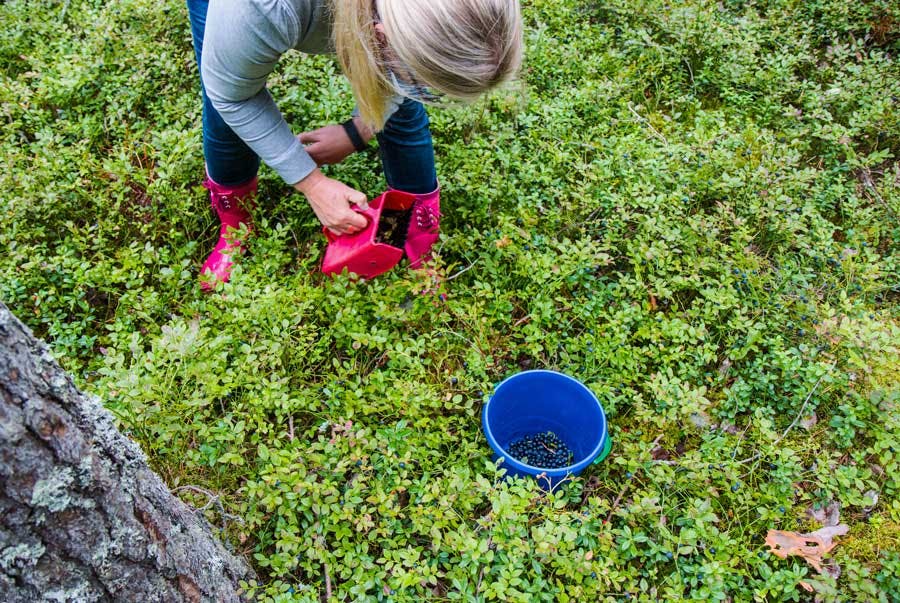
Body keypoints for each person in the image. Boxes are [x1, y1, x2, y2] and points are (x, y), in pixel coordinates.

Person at [187, 0, 523, 289]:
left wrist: (359, 130)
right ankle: (236, 226)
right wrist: (312, 183)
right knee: (224, 112)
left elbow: (402, 77)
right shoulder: (260, 9)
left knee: (403, 88)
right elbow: (232, 97)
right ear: (382, 34)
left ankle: (416, 237)